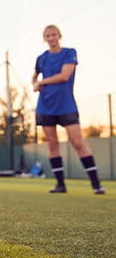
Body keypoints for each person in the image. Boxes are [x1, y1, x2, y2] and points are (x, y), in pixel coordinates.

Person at [32, 25, 105, 194]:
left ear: (59, 36)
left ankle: (96, 185)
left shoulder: (69, 53)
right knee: (52, 144)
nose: (51, 38)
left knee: (78, 143)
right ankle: (60, 185)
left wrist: (42, 82)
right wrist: (35, 84)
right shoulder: (41, 58)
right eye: (47, 35)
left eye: (54, 35)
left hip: (66, 106)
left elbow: (64, 76)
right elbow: (34, 76)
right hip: (45, 106)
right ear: (44, 38)